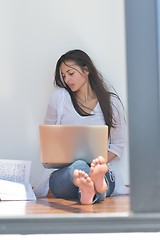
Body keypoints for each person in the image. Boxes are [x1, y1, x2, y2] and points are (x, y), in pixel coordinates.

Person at [35, 49, 129, 204]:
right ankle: (94, 187)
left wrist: (96, 163)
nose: (67, 79)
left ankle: (88, 191)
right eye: (64, 76)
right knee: (77, 166)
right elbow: (48, 140)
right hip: (66, 173)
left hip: (103, 170)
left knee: (93, 171)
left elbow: (118, 146)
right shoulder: (59, 98)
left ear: (86, 70)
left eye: (71, 73)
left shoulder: (111, 103)